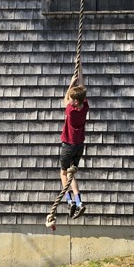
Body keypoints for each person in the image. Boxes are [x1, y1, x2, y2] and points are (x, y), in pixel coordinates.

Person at [60, 65, 89, 219]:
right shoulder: (84, 107)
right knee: (72, 173)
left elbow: (64, 99)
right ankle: (79, 202)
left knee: (64, 173)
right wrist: (80, 69)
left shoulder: (70, 110)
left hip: (68, 146)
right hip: (79, 146)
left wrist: (71, 83)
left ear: (75, 102)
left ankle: (69, 201)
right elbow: (82, 88)